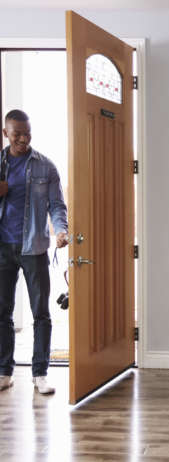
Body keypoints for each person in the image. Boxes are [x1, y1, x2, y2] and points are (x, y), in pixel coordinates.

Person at [0, 109, 68, 394]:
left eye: (27, 133)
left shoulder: (45, 167)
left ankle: (40, 374)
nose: (23, 139)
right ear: (6, 133)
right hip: (3, 248)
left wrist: (61, 230)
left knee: (41, 313)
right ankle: (4, 372)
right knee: (2, 312)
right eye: (17, 134)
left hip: (34, 247)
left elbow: (57, 205)